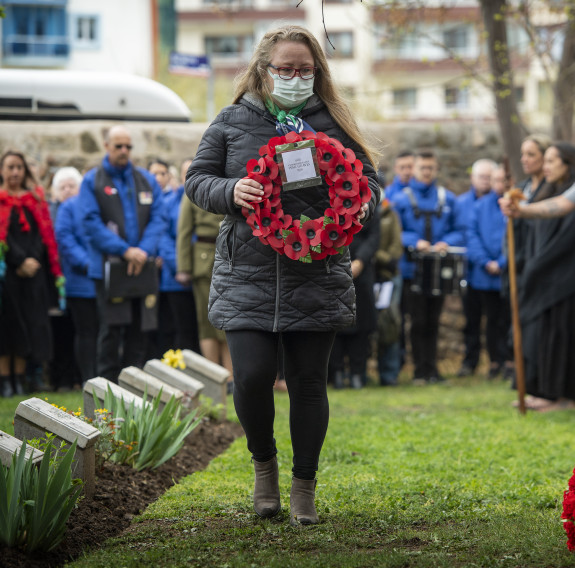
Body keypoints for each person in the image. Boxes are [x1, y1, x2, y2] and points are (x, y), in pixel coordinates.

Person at [185, 25, 379, 526]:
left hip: (316, 273)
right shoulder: (232, 120)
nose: (295, 77)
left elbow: (370, 183)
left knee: (308, 382)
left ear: (318, 73)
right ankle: (264, 468)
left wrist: (358, 207)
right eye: (285, 69)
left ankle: (303, 489)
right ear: (263, 70)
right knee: (249, 378)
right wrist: (232, 191)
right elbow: (197, 180)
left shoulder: (332, 122)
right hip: (247, 271)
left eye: (304, 70)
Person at [79, 125, 165, 382]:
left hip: (141, 266)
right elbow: (90, 222)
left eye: (128, 146)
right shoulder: (92, 181)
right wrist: (125, 251)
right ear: (106, 146)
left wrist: (142, 251)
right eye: (118, 146)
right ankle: (103, 392)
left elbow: (158, 218)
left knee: (140, 331)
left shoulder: (145, 180)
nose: (124, 151)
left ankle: (132, 389)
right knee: (111, 330)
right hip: (109, 267)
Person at [503, 143, 575, 411]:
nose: (547, 165)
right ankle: (553, 393)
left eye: (554, 160)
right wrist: (522, 211)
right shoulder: (557, 192)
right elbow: (561, 205)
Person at [393, 150, 464, 384]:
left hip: (439, 270)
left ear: (436, 169)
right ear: (414, 169)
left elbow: (460, 230)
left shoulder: (448, 198)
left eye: (430, 168)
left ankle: (432, 369)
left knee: (434, 320)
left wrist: (447, 242)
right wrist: (415, 242)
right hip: (412, 270)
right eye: (422, 167)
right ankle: (418, 370)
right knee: (417, 320)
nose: (426, 172)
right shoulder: (401, 199)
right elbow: (395, 233)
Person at [0, 151, 64, 397]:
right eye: (10, 167)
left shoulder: (34, 200)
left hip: (34, 271)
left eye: (19, 167)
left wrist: (32, 259)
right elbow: (3, 238)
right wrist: (18, 260)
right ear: (2, 171)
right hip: (9, 274)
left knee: (33, 324)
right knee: (9, 327)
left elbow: (43, 234)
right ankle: (7, 380)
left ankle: (30, 377)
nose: (15, 172)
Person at [176, 159, 231, 377]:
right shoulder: (192, 191)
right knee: (207, 322)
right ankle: (214, 377)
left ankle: (231, 377)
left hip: (230, 256)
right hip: (203, 260)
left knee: (230, 321)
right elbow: (184, 232)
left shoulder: (228, 183)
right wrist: (184, 267)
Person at [466, 165, 513, 380]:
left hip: (509, 273)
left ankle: (510, 360)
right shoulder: (480, 206)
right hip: (485, 275)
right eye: (496, 180)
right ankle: (495, 361)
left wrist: (503, 262)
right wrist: (486, 261)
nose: (499, 185)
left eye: (503, 180)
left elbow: (516, 238)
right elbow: (472, 235)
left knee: (509, 318)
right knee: (491, 320)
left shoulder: (515, 206)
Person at [54, 166, 99, 386]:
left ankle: (102, 377)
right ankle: (88, 379)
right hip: (80, 280)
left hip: (102, 279)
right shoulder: (67, 208)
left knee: (103, 331)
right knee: (86, 332)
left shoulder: (95, 204)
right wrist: (88, 263)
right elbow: (65, 239)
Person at [456, 159, 497, 378]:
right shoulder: (460, 203)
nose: (485, 181)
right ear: (472, 178)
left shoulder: (499, 203)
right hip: (468, 272)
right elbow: (457, 232)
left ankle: (496, 361)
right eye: (481, 176)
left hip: (491, 273)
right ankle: (470, 361)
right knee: (470, 320)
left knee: (495, 320)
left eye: (489, 177)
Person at [155, 159, 201, 354]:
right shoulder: (169, 203)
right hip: (175, 278)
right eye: (185, 172)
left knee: (202, 327)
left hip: (202, 274)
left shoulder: (205, 199)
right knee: (181, 329)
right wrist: (181, 267)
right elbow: (163, 237)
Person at [329, 216, 379, 390]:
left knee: (362, 323)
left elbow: (374, 236)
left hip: (362, 272)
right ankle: (337, 373)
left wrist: (360, 261)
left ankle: (358, 372)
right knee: (335, 323)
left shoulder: (367, 202)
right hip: (333, 266)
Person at [374, 195, 403, 386]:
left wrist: (390, 261)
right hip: (369, 274)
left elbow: (396, 242)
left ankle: (389, 373)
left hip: (390, 276)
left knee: (390, 323)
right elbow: (367, 241)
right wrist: (384, 258)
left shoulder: (390, 213)